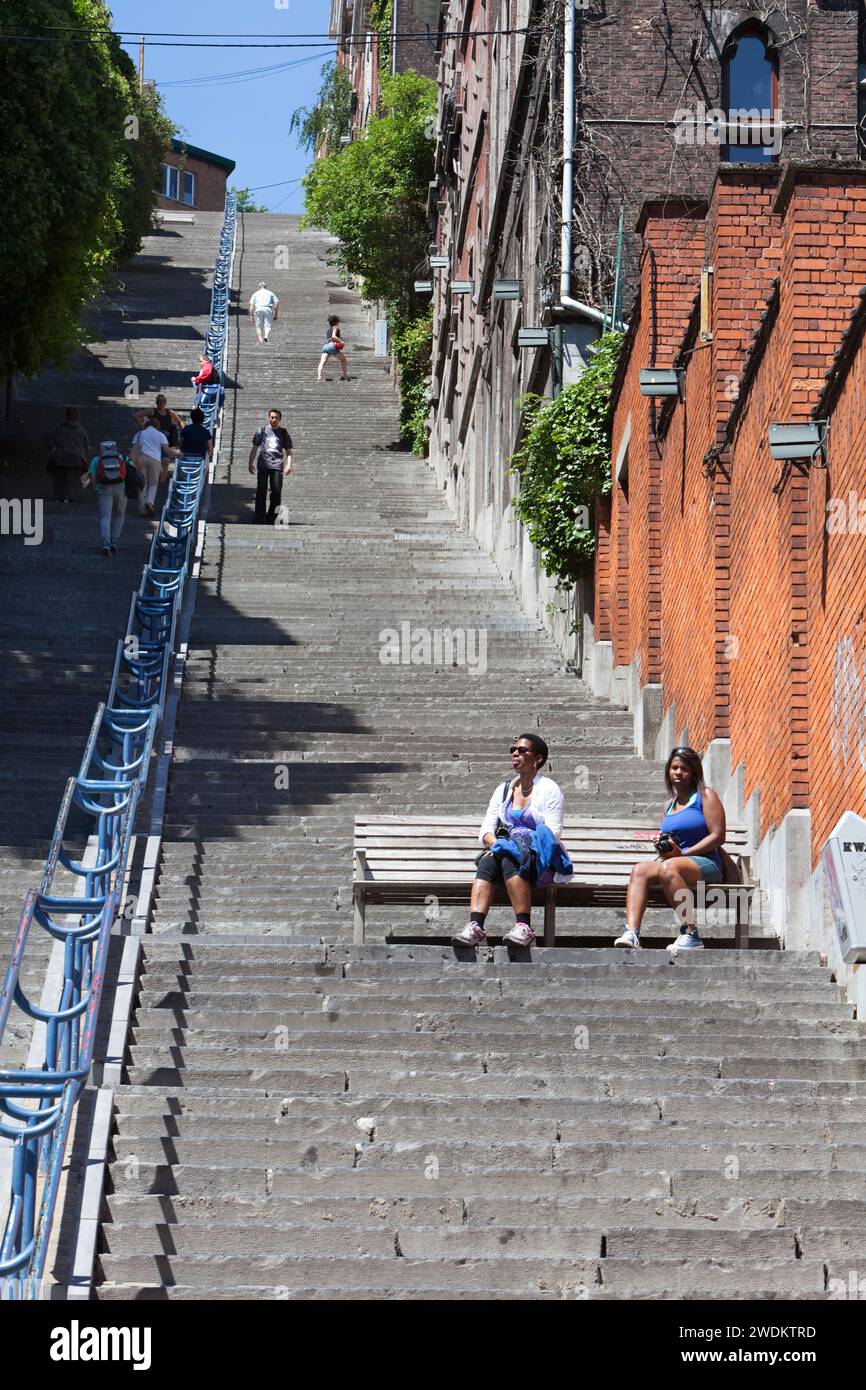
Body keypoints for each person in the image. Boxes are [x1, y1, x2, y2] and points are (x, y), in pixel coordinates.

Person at [452, 734, 567, 949]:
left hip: (540, 854)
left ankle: (524, 927)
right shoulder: (503, 790)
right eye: (513, 749)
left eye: (522, 750)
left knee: (509, 859)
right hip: (506, 849)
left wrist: (514, 848)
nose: (515, 753)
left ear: (538, 759)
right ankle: (475, 926)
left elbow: (552, 834)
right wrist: (498, 845)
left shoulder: (550, 789)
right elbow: (486, 829)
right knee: (489, 860)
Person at [614, 745, 726, 954]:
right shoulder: (668, 805)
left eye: (684, 768)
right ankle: (631, 932)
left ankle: (691, 933)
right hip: (676, 862)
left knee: (668, 869)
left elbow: (718, 836)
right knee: (639, 869)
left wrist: (683, 853)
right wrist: (663, 847)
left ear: (694, 772)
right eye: (674, 768)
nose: (678, 772)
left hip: (707, 863)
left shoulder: (705, 796)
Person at [85, 440, 130, 555]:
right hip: (121, 488)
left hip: (104, 488)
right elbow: (133, 469)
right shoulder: (122, 457)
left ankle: (105, 542)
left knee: (105, 516)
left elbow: (93, 476)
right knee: (120, 514)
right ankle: (114, 542)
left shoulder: (96, 460)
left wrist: (96, 489)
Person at [248, 408, 293, 524]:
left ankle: (272, 516)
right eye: (272, 417)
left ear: (280, 419)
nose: (274, 419)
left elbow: (288, 451)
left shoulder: (283, 433)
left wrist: (288, 465)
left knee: (276, 491)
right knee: (261, 490)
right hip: (263, 464)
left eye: (276, 418)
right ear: (268, 418)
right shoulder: (261, 431)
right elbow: (254, 448)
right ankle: (259, 516)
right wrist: (250, 462)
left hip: (277, 466)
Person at [132, 413, 179, 518]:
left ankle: (141, 508)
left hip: (141, 458)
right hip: (155, 460)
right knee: (153, 483)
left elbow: (135, 448)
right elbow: (166, 450)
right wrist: (178, 453)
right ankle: (149, 502)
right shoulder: (160, 435)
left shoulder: (140, 433)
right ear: (157, 426)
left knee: (142, 484)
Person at [44, 407, 90, 503]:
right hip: (76, 459)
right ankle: (67, 498)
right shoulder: (82, 430)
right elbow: (86, 446)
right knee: (72, 480)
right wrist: (85, 460)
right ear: (77, 417)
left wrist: (52, 447)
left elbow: (46, 436)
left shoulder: (59, 428)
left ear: (66, 416)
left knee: (59, 479)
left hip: (60, 457)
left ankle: (57, 497)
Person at [317, 316, 349, 382]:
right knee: (343, 360)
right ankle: (345, 376)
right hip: (332, 346)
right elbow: (333, 336)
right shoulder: (335, 327)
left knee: (322, 362)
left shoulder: (328, 330)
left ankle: (319, 376)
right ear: (336, 322)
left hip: (325, 346)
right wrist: (341, 342)